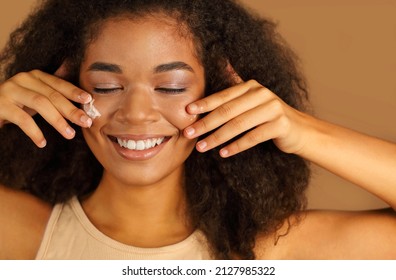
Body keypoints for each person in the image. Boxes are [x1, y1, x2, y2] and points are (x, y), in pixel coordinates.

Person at [0, 0, 395, 260]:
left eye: (170, 87)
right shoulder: (25, 236)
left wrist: (299, 129)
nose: (136, 114)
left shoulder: (269, 252)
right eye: (106, 87)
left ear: (220, 93)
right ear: (65, 89)